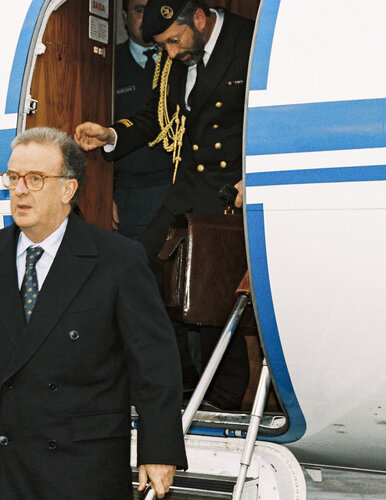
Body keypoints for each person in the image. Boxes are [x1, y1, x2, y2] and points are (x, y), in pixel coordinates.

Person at [0, 127, 187, 500]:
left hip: (79, 468)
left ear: (67, 190)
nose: (19, 190)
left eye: (35, 179)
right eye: (13, 177)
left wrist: (158, 448)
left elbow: (154, 362)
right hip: (0, 464)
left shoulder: (117, 259)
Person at [74, 0, 253, 410]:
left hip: (233, 189)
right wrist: (111, 135)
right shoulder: (176, 56)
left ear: (201, 19)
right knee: (140, 264)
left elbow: (273, 112)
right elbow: (157, 115)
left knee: (212, 292)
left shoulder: (250, 42)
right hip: (190, 185)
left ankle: (223, 399)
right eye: (163, 45)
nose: (170, 53)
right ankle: (180, 382)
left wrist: (259, 175)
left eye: (173, 41)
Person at [113, 0, 174, 238]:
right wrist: (101, 194)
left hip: (178, 192)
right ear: (125, 17)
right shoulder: (107, 66)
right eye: (140, 10)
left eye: (152, 9)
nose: (148, 17)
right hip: (128, 198)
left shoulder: (181, 58)